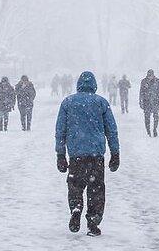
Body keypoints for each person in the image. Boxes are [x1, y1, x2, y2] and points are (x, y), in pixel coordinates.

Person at [55, 71, 119, 236]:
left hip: (76, 155)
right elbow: (111, 130)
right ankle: (93, 222)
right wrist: (115, 153)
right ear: (94, 85)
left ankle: (76, 208)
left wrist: (60, 154)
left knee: (75, 186)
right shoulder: (101, 103)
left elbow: (60, 130)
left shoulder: (68, 103)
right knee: (96, 189)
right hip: (95, 155)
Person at [138, 69, 159, 137]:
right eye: (149, 75)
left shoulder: (157, 81)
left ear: (153, 75)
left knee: (156, 117)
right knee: (147, 117)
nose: (150, 77)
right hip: (146, 101)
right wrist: (140, 101)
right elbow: (141, 92)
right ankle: (148, 131)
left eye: (151, 75)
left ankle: (154, 129)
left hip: (155, 101)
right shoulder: (143, 81)